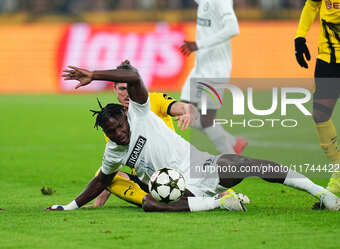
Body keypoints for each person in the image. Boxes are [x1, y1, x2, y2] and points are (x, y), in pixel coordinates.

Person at [46, 60, 340, 212]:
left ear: (125, 116)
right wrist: (70, 206)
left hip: (201, 166)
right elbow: (102, 179)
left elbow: (134, 76)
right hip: (177, 190)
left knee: (249, 164)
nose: (120, 134)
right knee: (150, 204)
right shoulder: (113, 152)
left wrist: (94, 75)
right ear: (108, 134)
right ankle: (220, 203)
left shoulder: (140, 110)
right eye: (113, 132)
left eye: (120, 126)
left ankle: (321, 193)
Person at [179, 0, 247, 155]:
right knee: (182, 110)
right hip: (200, 68)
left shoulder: (221, 1)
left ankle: (230, 162)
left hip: (215, 69)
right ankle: (232, 142)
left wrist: (198, 44)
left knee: (206, 119)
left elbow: (233, 28)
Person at [294, 0, 340, 197]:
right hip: (328, 57)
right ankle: (338, 172)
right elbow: (311, 4)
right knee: (320, 114)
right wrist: (300, 37)